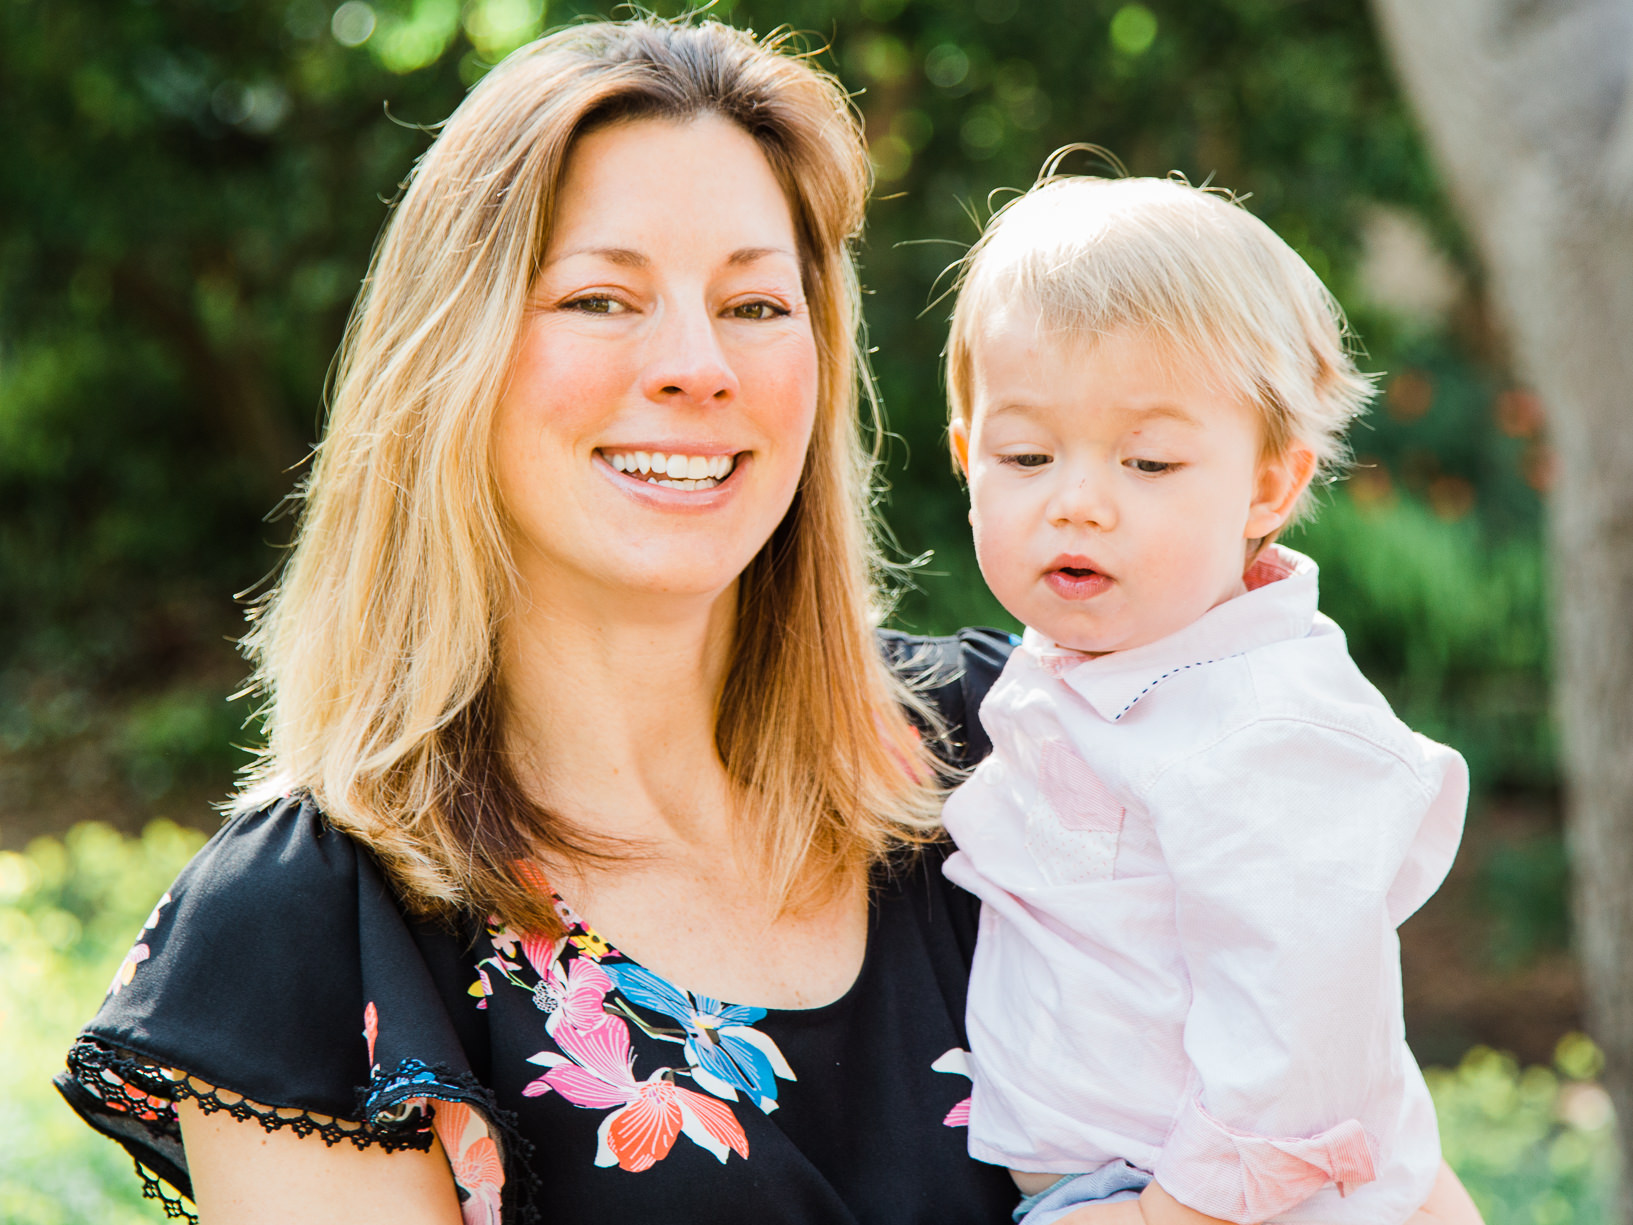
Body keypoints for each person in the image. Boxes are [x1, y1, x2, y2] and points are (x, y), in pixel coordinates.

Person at [55, 17, 1481, 1225]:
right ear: (452, 365)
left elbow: (1371, 1150)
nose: (695, 366)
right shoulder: (311, 923)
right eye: (602, 296)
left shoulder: (1035, 749)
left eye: (755, 302)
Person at [938, 170, 1470, 1225]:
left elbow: (1301, 1017)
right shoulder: (1088, 672)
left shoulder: (1265, 725)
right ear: (966, 460)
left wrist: (1171, 1212)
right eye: (1026, 454)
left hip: (1232, 1200)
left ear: (1268, 486)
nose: (1077, 501)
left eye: (1148, 460)